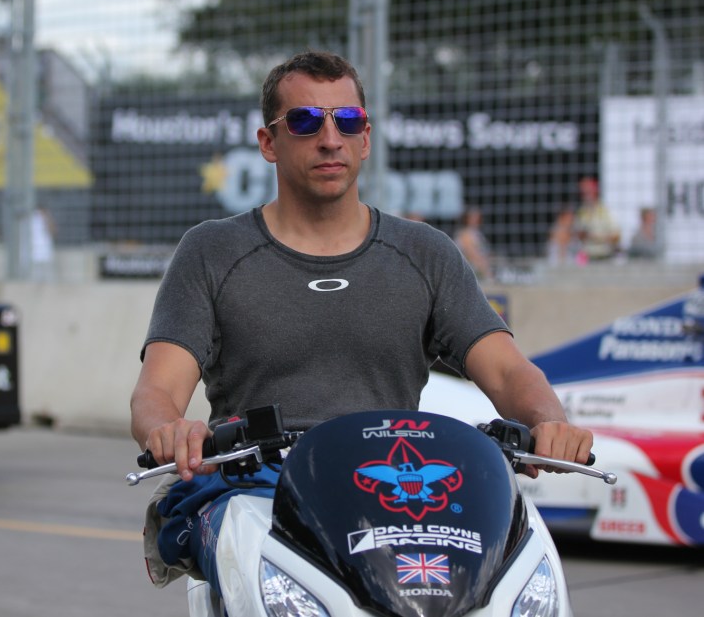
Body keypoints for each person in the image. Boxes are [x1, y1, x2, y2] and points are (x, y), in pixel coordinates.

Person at [129, 51, 594, 589]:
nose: (331, 139)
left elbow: (510, 372)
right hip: (259, 494)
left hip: (397, 497)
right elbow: (156, 390)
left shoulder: (426, 252)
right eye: (305, 121)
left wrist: (548, 421)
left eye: (347, 121)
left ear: (366, 137)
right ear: (267, 143)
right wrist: (169, 429)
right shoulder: (212, 251)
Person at [574, 176, 620, 261]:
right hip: (588, 258)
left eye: (588, 192)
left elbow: (616, 235)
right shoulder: (581, 213)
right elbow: (578, 235)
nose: (586, 195)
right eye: (584, 193)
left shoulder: (604, 212)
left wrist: (598, 238)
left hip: (605, 257)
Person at [454, 206, 493, 280]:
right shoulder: (465, 234)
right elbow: (473, 255)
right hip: (471, 274)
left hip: (478, 271)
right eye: (473, 217)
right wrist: (488, 274)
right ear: (466, 218)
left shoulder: (477, 234)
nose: (476, 219)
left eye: (478, 217)